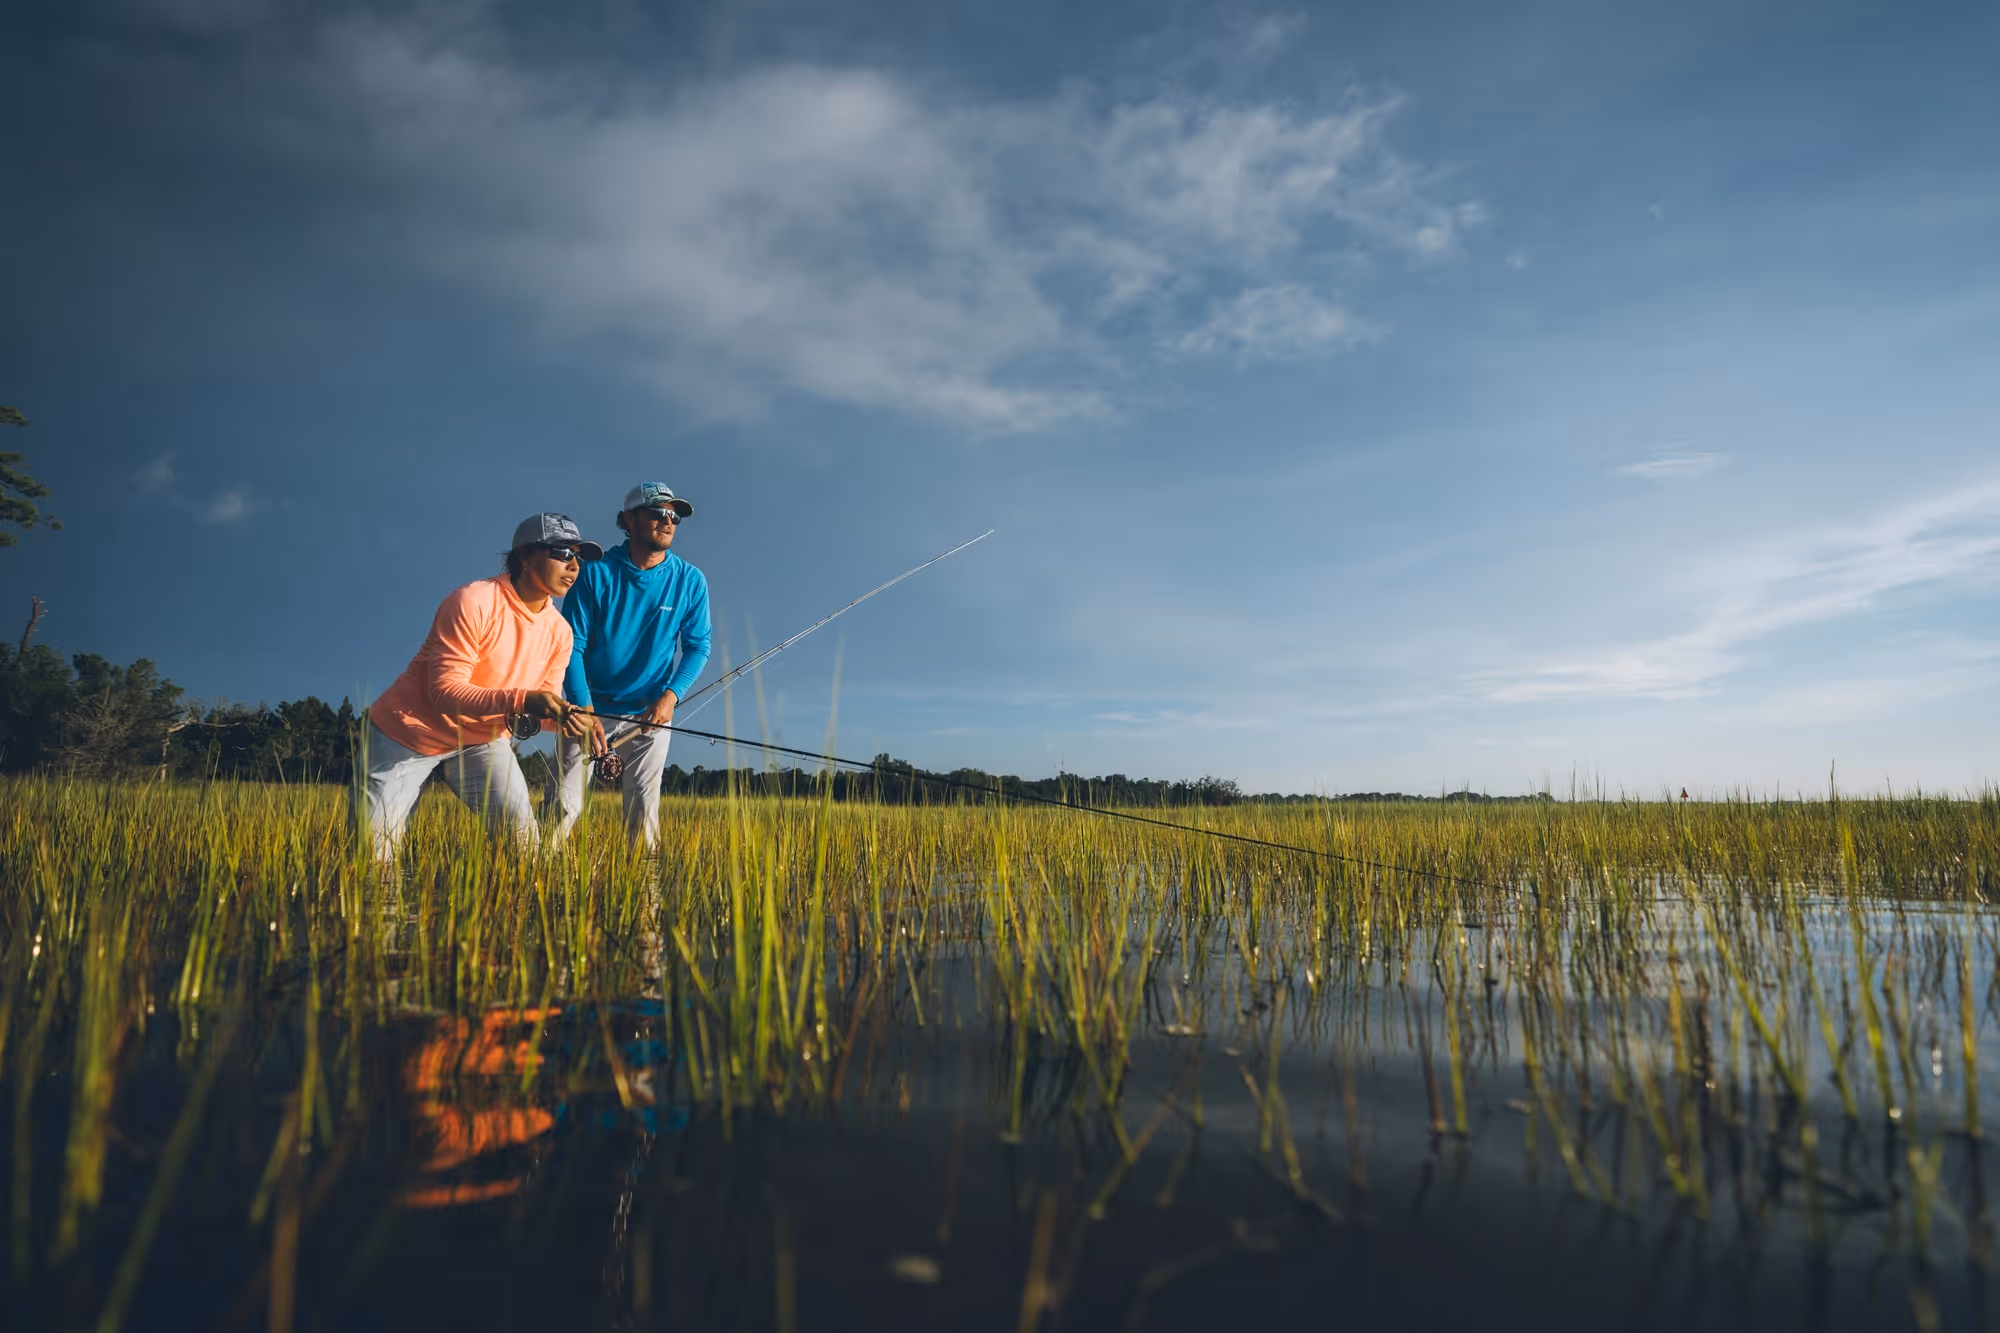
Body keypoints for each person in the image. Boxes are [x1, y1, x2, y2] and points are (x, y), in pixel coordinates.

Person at [357, 514, 603, 862]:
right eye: (563, 552)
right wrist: (527, 699)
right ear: (524, 557)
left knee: (525, 850)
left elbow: (533, 712)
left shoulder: (560, 633)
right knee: (372, 858)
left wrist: (568, 720)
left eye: (579, 556)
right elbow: (444, 693)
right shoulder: (473, 601)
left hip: (481, 740)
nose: (574, 565)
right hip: (408, 735)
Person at [553, 482, 712, 850]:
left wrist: (671, 696)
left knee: (643, 815)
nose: (668, 521)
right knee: (562, 807)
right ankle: (536, 887)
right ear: (628, 519)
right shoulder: (593, 572)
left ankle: (643, 900)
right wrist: (583, 707)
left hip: (650, 713)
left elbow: (698, 646)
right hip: (587, 708)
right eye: (658, 512)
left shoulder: (690, 580)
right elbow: (570, 645)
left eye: (674, 515)